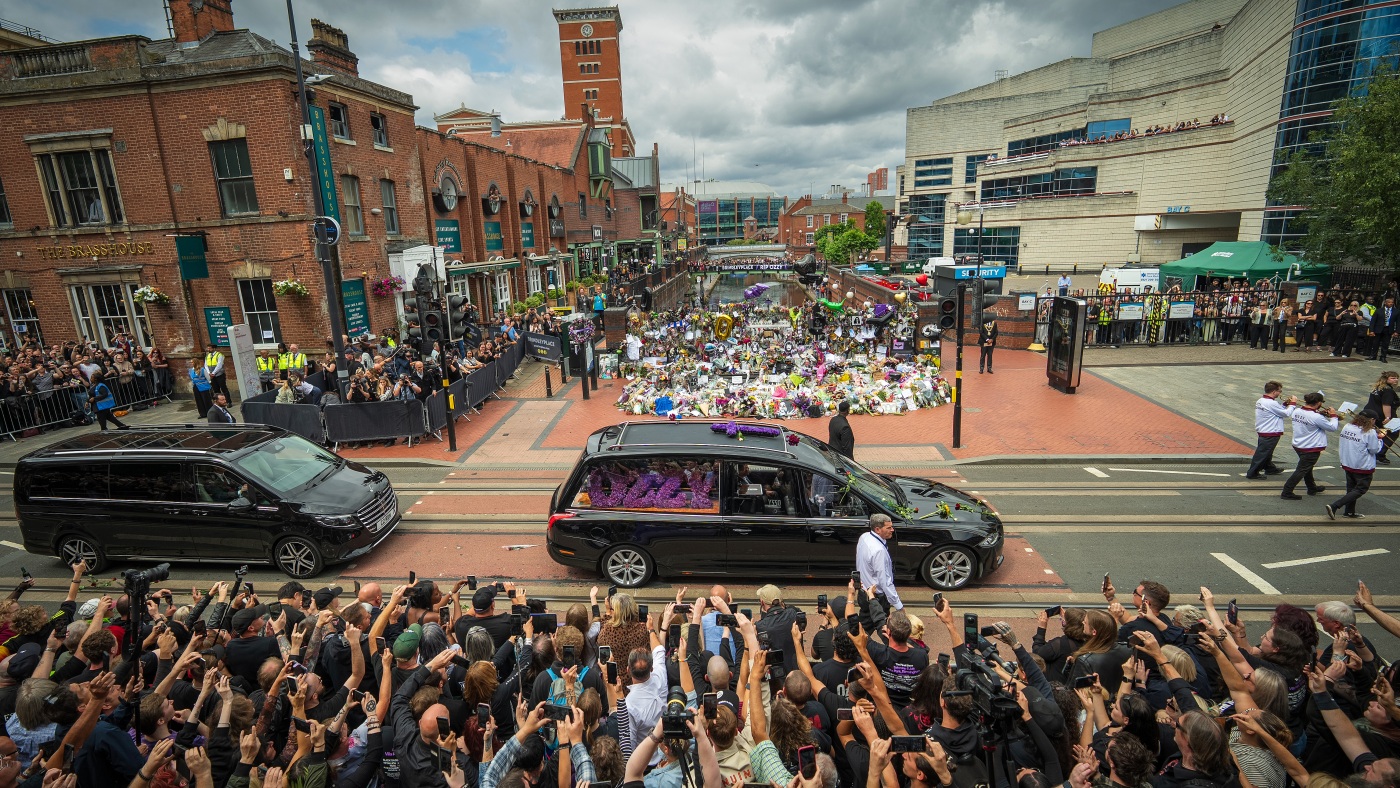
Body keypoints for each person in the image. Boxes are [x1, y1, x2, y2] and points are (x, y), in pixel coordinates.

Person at [1281, 392, 1338, 500]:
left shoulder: (1297, 411)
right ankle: (1287, 491)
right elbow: (1332, 427)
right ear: (1318, 403)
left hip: (1299, 444)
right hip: (1310, 448)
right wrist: (1334, 416)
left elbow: (1310, 419)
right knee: (1302, 469)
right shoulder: (1316, 417)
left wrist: (1320, 414)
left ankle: (1312, 487)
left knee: (1307, 467)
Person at [1327, 409, 1382, 520]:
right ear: (1371, 420)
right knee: (1361, 489)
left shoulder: (1347, 426)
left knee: (1351, 488)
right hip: (1362, 465)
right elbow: (1374, 449)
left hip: (1348, 462)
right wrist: (1380, 439)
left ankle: (1349, 512)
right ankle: (1335, 506)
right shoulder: (1369, 432)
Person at [855, 514, 902, 630]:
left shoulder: (864, 537)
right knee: (885, 629)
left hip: (864, 592)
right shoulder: (879, 550)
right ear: (877, 529)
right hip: (877, 597)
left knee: (863, 628)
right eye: (888, 528)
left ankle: (854, 646)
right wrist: (898, 605)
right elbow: (885, 581)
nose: (892, 530)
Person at [1246, 382, 1295, 480]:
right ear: (1274, 391)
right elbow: (1285, 414)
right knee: (1263, 452)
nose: (1280, 393)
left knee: (1267, 451)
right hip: (1270, 431)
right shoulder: (1271, 403)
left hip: (1264, 430)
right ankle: (1252, 472)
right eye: (1279, 391)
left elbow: (1276, 410)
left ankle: (1269, 468)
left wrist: (1285, 404)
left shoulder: (1261, 400)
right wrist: (1293, 404)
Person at [1372, 296, 1398, 362]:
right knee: (1376, 343)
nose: (1391, 303)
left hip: (1388, 329)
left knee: (1385, 343)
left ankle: (1383, 357)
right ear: (1385, 303)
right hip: (1379, 328)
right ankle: (1373, 355)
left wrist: (1397, 331)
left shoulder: (1396, 311)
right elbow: (1373, 321)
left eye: (1392, 302)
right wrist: (1371, 330)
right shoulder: (1379, 310)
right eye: (1389, 302)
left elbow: (1398, 322)